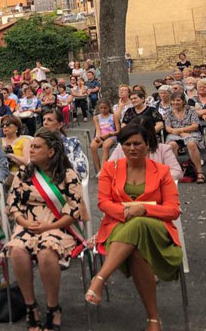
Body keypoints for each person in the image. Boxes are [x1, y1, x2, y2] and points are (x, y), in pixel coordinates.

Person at [86, 124, 183, 331]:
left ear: (148, 145)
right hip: (118, 225)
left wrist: (144, 210)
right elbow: (103, 202)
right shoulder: (110, 169)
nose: (132, 148)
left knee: (139, 223)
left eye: (137, 143)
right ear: (121, 146)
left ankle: (100, 278)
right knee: (138, 252)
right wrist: (126, 213)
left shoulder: (162, 171)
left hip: (156, 228)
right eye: (127, 144)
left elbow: (173, 210)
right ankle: (153, 319)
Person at [5, 128, 87, 331]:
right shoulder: (24, 173)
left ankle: (53, 307)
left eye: (36, 147)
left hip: (59, 225)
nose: (31, 150)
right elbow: (12, 205)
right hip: (29, 224)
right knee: (17, 250)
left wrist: (49, 226)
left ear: (51, 152)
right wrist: (24, 223)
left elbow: (74, 211)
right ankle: (30, 306)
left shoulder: (68, 175)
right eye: (31, 146)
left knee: (46, 252)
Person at [164, 91, 203, 183]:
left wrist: (181, 130)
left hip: (191, 133)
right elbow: (168, 127)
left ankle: (199, 172)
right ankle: (174, 171)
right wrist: (179, 132)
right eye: (173, 100)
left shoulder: (191, 110)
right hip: (174, 134)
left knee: (191, 144)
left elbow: (195, 125)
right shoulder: (169, 112)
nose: (175, 102)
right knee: (171, 145)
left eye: (178, 100)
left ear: (183, 101)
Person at [41, 109, 88, 180]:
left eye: (49, 120)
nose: (45, 123)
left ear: (60, 125)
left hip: (66, 181)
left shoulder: (72, 143)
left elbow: (82, 172)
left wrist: (59, 162)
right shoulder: (38, 144)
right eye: (44, 120)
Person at [90, 99, 121, 172]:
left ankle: (103, 169)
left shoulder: (113, 116)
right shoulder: (96, 117)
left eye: (105, 108)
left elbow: (118, 131)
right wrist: (97, 136)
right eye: (101, 108)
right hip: (101, 135)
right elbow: (98, 129)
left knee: (105, 146)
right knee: (92, 146)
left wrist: (109, 134)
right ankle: (98, 169)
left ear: (109, 107)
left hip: (111, 135)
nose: (103, 110)